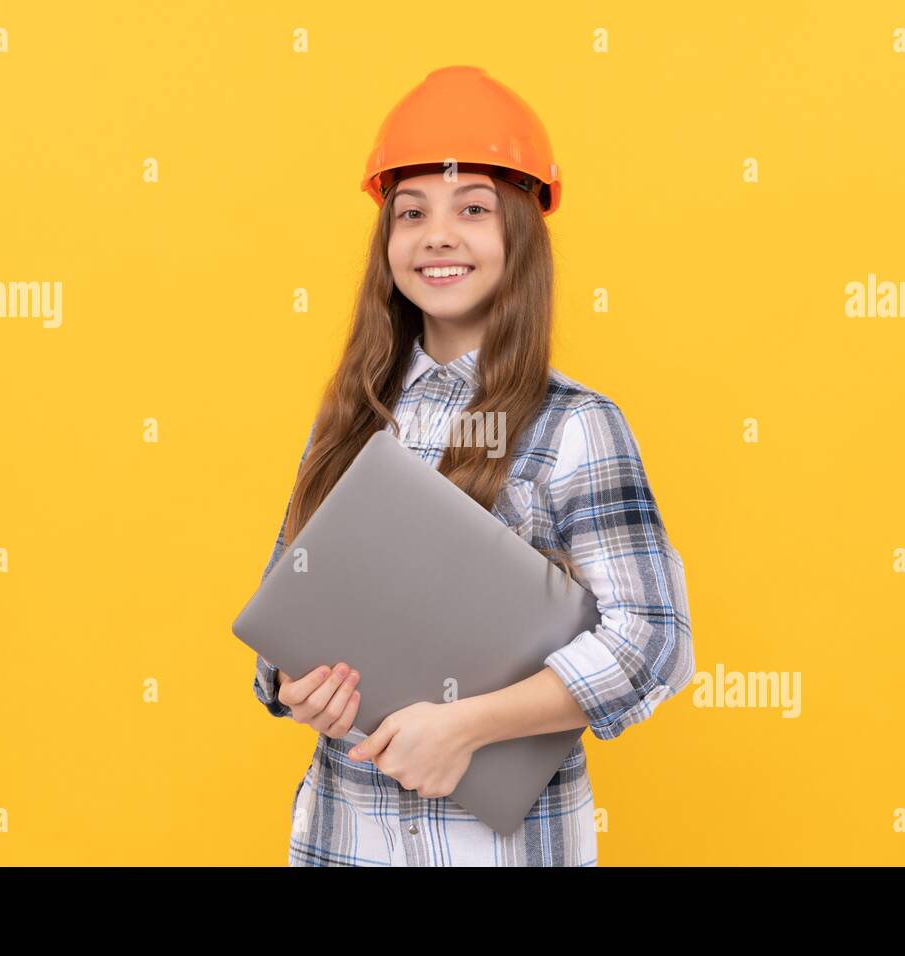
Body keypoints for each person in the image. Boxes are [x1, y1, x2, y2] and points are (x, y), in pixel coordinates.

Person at [250, 65, 694, 866]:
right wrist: (294, 685)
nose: (438, 235)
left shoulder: (575, 425)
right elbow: (286, 613)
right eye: (411, 212)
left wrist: (466, 726)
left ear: (519, 234)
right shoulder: (347, 416)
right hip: (341, 841)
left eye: (473, 210)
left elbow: (653, 641)